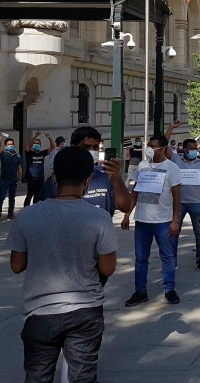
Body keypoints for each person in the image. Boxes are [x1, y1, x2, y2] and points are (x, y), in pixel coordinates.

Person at [7, 146, 118, 383]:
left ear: (54, 177)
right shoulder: (99, 218)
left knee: (37, 375)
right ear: (88, 180)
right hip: (86, 310)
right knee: (82, 376)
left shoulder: (28, 215)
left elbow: (17, 265)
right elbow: (108, 269)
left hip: (40, 310)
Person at [122, 136, 183, 307]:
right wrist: (128, 214)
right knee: (141, 258)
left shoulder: (172, 168)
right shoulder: (142, 166)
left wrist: (175, 220)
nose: (149, 149)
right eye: (148, 146)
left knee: (168, 257)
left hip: (163, 221)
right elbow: (135, 191)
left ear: (163, 149)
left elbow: (177, 195)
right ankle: (140, 291)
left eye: (153, 147)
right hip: (142, 221)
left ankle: (169, 290)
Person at [39, 126, 133, 216]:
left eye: (95, 147)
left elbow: (126, 207)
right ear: (73, 147)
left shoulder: (104, 178)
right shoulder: (59, 179)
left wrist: (117, 179)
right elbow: (42, 215)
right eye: (86, 147)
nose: (91, 151)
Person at [165, 122, 200, 270]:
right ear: (184, 150)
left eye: (195, 149)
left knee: (199, 233)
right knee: (174, 233)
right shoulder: (176, 160)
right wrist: (171, 128)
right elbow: (163, 146)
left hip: (197, 203)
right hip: (179, 204)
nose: (194, 151)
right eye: (191, 149)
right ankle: (173, 260)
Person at [24, 132, 55, 207]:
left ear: (40, 145)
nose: (36, 144)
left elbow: (53, 148)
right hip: (31, 177)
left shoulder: (42, 153)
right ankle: (26, 209)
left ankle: (35, 208)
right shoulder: (29, 153)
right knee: (30, 194)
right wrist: (35, 136)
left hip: (40, 177)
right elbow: (29, 145)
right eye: (35, 143)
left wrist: (49, 138)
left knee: (37, 195)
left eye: (38, 143)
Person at [0, 137, 23, 220]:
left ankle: (10, 214)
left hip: (14, 180)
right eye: (8, 144)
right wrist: (0, 138)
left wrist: (20, 179)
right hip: (4, 180)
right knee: (1, 197)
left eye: (11, 144)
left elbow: (19, 168)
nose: (10, 146)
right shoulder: (3, 154)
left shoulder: (18, 156)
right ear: (5, 146)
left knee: (12, 198)